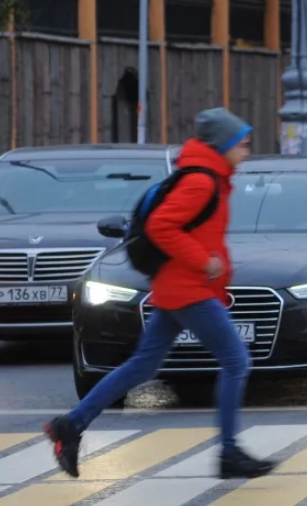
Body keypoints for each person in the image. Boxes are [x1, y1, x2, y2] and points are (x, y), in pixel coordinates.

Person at [43, 108, 276, 480]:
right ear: (224, 145)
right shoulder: (201, 182)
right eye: (242, 144)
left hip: (178, 286)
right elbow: (161, 226)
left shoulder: (212, 178)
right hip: (188, 288)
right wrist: (204, 262)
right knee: (236, 360)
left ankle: (70, 425)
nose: (246, 152)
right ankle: (229, 452)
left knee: (144, 364)